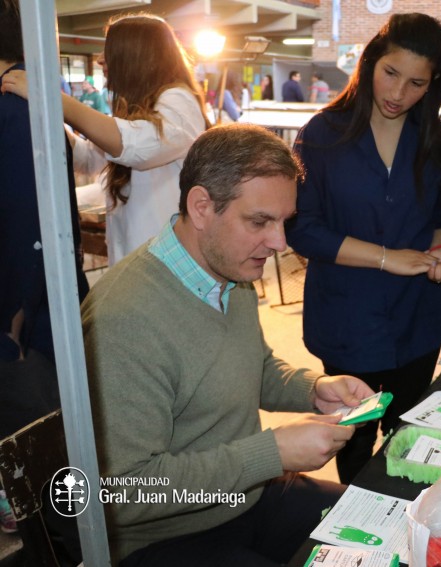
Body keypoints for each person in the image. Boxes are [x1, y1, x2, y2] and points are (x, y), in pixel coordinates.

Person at [83, 124, 374, 565]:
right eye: (260, 222)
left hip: (244, 499)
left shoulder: (228, 270)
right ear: (201, 207)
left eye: (283, 222)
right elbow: (125, 490)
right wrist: (270, 453)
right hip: (161, 537)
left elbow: (252, 366)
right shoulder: (123, 320)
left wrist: (313, 389)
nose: (278, 244)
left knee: (384, 525)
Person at [287, 13, 441, 484]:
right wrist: (387, 257)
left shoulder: (438, 141)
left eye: (416, 83)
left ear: (432, 86)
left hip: (417, 317)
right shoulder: (323, 135)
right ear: (369, 64)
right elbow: (303, 229)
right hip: (348, 318)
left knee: (411, 439)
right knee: (356, 440)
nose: (398, 93)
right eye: (391, 73)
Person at [1, 13, 209, 266]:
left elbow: (137, 148)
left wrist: (52, 100)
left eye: (109, 50)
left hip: (170, 266)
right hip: (135, 263)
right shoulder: (132, 108)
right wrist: (47, 119)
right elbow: (88, 158)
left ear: (136, 54)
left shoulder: (178, 100)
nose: (100, 59)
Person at [0, 0, 88, 547]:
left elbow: (31, 231)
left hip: (25, 329)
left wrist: (12, 329)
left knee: (45, 468)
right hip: (27, 322)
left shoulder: (15, 110)